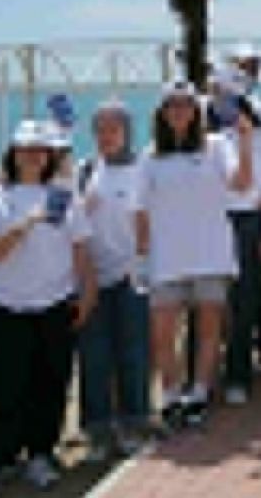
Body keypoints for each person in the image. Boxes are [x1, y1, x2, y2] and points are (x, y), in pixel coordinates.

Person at [0, 120, 97, 498]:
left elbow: (80, 248)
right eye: (26, 149)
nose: (34, 156)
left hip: (54, 304)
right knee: (5, 388)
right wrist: (27, 223)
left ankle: (41, 454)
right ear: (13, 154)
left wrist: (87, 294)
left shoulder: (64, 197)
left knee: (51, 385)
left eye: (41, 150)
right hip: (6, 305)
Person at [134, 80, 254, 430]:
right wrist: (141, 256)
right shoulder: (150, 156)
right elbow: (140, 210)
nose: (179, 111)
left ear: (197, 111)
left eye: (186, 104)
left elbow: (241, 184)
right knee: (162, 334)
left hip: (210, 253)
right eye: (172, 105)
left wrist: (246, 142)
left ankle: (198, 394)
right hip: (166, 258)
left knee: (208, 329)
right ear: (162, 112)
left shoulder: (216, 146)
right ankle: (171, 395)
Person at [75, 102, 150, 459]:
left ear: (127, 132)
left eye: (113, 129)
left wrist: (145, 263)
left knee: (133, 354)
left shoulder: (142, 169)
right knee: (94, 356)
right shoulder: (84, 170)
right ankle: (98, 430)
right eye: (100, 130)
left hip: (131, 276)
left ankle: (134, 423)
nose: (106, 136)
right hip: (92, 277)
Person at [211, 68, 261, 406]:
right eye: (218, 93)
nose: (224, 100)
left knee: (245, 301)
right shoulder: (203, 134)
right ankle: (203, 376)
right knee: (210, 302)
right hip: (209, 222)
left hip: (249, 220)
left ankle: (238, 374)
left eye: (230, 94)